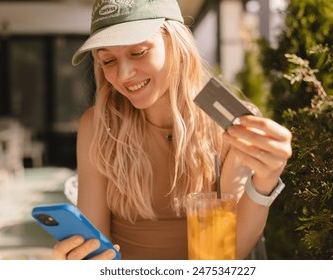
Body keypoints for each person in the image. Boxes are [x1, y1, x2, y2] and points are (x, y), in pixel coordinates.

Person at [52, 0, 292, 260]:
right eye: (108, 60)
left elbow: (224, 259)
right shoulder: (98, 124)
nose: (123, 75)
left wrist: (265, 182)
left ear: (176, 44)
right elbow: (95, 247)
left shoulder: (229, 121)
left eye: (138, 52)